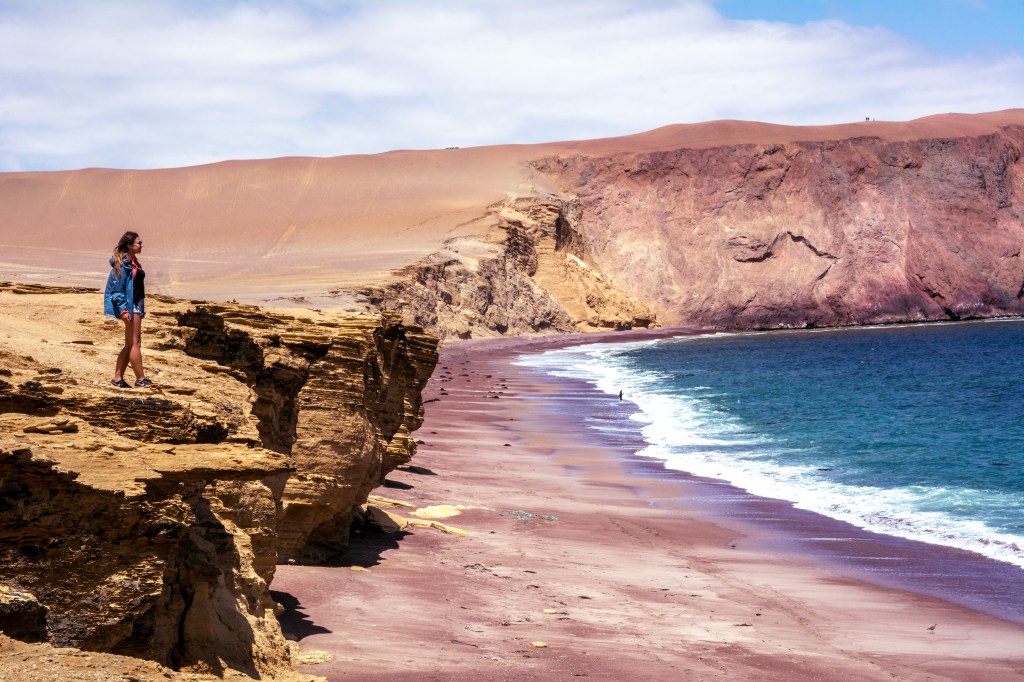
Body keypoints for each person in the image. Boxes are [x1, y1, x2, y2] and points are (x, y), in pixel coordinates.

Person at [103, 231, 153, 388]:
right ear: (130, 246)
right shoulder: (123, 265)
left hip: (136, 305)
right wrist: (124, 310)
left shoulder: (134, 262)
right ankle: (141, 379)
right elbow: (117, 291)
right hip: (131, 307)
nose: (141, 245)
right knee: (135, 344)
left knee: (129, 344)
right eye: (139, 243)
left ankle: (118, 379)